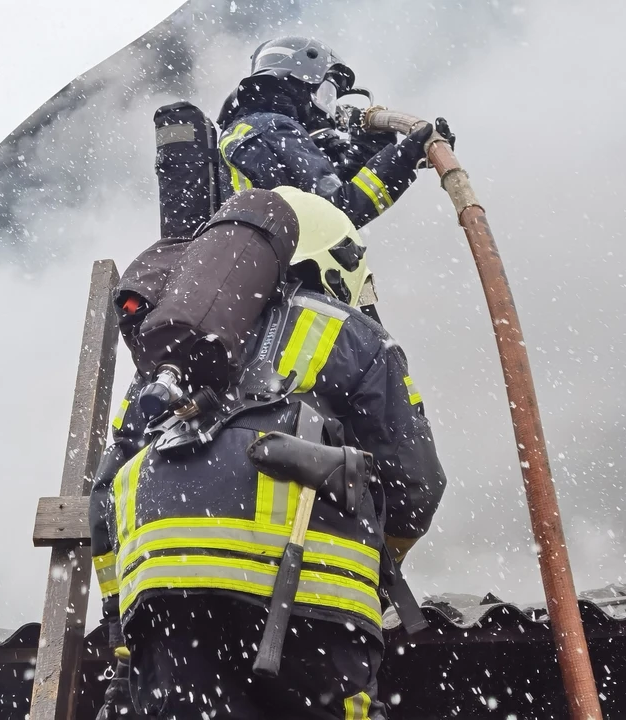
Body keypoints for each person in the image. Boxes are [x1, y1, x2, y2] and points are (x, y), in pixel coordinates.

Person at [90, 186, 448, 719]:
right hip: (308, 595)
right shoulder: (354, 334)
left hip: (166, 589)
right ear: (333, 259)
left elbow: (105, 497)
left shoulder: (169, 358)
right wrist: (375, 561)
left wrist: (122, 617)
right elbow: (416, 483)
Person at [215, 36, 456, 230]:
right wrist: (403, 159)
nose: (327, 110)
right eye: (326, 94)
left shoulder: (250, 129)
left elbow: (321, 196)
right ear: (300, 84)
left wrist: (370, 149)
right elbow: (336, 212)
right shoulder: (273, 126)